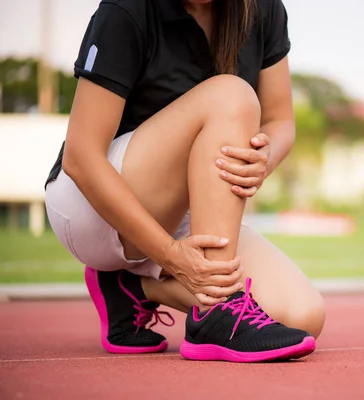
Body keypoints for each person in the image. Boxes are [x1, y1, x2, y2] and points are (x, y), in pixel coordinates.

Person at [44, 0, 325, 363]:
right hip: (93, 206)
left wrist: (263, 160)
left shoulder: (263, 8)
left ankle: (133, 287)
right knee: (232, 94)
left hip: (184, 211)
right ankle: (218, 312)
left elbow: (280, 121)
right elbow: (80, 158)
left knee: (302, 315)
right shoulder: (127, 9)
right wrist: (170, 256)